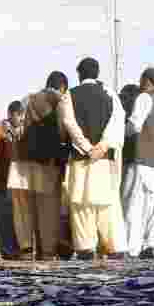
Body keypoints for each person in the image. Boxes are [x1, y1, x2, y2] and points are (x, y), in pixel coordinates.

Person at [57, 57, 127, 260]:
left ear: (79, 74)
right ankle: (113, 247)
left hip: (81, 159)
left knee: (81, 205)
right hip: (105, 160)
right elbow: (117, 122)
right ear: (97, 73)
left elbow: (69, 124)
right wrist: (103, 146)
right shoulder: (111, 94)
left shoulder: (69, 95)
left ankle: (86, 248)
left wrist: (87, 148)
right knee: (108, 204)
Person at [8, 71, 70, 260]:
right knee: (47, 208)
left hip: (20, 161)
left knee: (22, 208)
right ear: (62, 87)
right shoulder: (59, 99)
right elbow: (62, 129)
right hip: (46, 161)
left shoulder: (28, 98)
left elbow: (19, 128)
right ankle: (47, 249)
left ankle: (26, 248)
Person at [120, 68, 154, 258]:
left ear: (146, 80)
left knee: (133, 206)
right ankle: (150, 247)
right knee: (153, 210)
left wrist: (117, 135)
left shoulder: (144, 98)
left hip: (141, 161)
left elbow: (134, 125)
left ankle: (130, 250)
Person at [0, 101, 23, 259]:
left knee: (17, 219)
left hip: (19, 183)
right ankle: (7, 251)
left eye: (21, 115)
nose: (20, 118)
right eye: (17, 115)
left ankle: (16, 250)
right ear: (10, 114)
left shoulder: (23, 131)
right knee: (4, 218)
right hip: (3, 182)